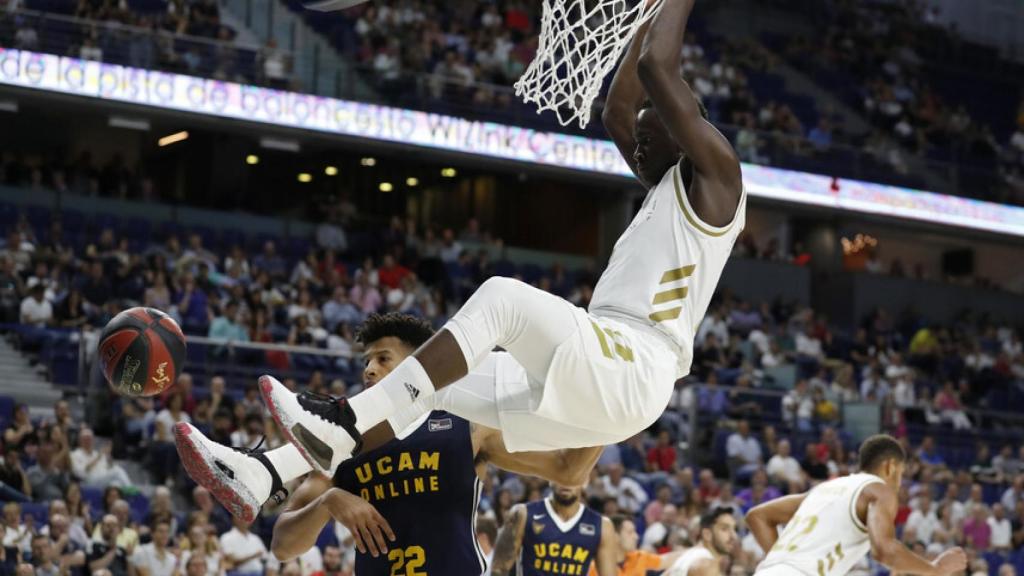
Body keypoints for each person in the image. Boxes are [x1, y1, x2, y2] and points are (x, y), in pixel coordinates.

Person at [261, 0, 745, 484]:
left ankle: (339, 422)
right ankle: (267, 472)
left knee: (503, 298)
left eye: (648, 139)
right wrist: (645, 15)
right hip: (607, 385)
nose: (636, 149)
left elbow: (655, 68)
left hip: (633, 360)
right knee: (424, 378)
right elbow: (618, 110)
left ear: (687, 136)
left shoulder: (718, 179)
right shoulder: (665, 188)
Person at [176, 314, 601, 575]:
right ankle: (259, 470)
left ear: (418, 368)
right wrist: (330, 502)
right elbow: (283, 545)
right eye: (365, 362)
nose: (369, 371)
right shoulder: (339, 445)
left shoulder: (467, 427)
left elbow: (569, 471)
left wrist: (611, 409)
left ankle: (261, 468)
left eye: (383, 359)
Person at [746, 434, 966, 575]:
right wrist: (935, 569)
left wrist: (781, 563)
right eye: (900, 474)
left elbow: (757, 516)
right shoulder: (879, 490)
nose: (899, 484)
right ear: (890, 467)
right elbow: (884, 552)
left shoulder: (822, 490)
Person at [490, 484, 616, 576]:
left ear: (585, 481)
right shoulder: (523, 513)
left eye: (573, 475)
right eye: (560, 473)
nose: (566, 480)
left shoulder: (602, 525)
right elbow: (499, 569)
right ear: (550, 477)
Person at [592, 515, 683, 575]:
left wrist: (695, 551)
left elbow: (666, 560)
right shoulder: (594, 568)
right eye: (630, 532)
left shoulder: (639, 557)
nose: (636, 537)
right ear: (615, 536)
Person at [663, 506, 738, 575]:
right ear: (707, 534)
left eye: (734, 529)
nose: (734, 536)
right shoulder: (705, 565)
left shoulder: (689, 556)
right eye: (724, 529)